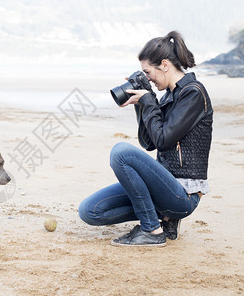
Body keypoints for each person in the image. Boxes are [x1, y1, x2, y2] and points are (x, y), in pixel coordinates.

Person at [78, 31, 213, 247]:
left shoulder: (193, 93)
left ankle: (151, 229)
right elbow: (149, 143)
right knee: (90, 211)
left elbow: (163, 140)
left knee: (121, 153)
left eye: (148, 72)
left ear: (165, 65)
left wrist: (150, 101)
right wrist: (142, 106)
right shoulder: (169, 95)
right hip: (162, 187)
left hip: (183, 196)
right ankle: (164, 220)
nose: (148, 78)